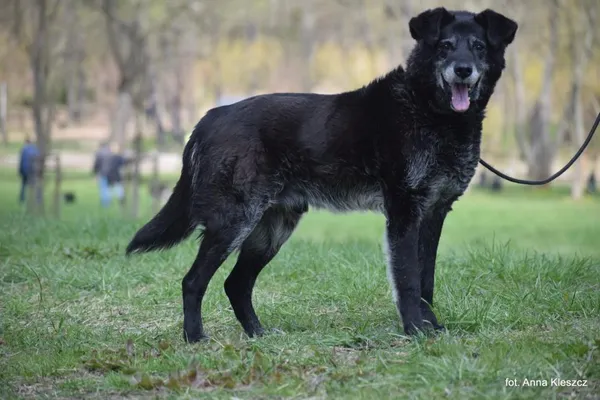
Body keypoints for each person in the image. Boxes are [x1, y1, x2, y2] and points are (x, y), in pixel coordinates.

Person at [18, 137, 39, 204]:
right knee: (35, 184)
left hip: (25, 170)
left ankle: (22, 198)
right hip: (33, 170)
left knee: (24, 184)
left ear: (26, 142)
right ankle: (38, 199)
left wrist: (20, 170)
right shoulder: (35, 149)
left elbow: (21, 161)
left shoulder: (23, 150)